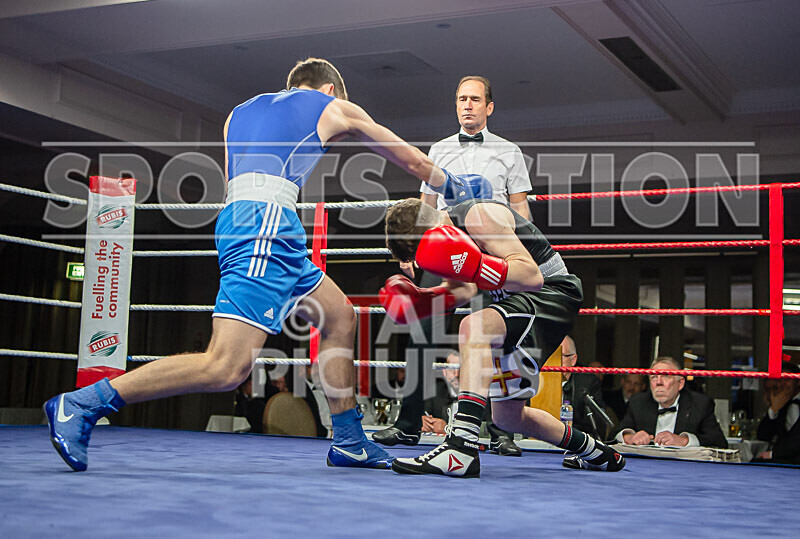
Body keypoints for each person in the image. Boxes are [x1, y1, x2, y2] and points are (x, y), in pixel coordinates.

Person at [43, 57, 475, 472]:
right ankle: (83, 403)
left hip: (252, 222)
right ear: (329, 88)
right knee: (225, 367)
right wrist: (453, 185)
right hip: (266, 227)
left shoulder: (238, 113)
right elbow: (412, 161)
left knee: (339, 316)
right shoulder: (331, 104)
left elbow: (241, 181)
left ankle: (348, 441)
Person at [380, 197, 625, 477]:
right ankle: (595, 451)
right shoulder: (450, 239)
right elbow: (466, 291)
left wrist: (476, 266)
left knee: (475, 327)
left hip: (551, 295)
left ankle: (461, 447)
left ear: (434, 228)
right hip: (518, 306)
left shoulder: (479, 217)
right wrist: (425, 299)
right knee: (508, 417)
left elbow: (531, 276)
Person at [374, 75, 530, 458]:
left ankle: (500, 430)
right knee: (421, 331)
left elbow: (520, 207)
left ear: (489, 107)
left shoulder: (509, 151)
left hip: (490, 252)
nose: (468, 105)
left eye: (475, 99)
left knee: (497, 338)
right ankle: (409, 424)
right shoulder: (438, 149)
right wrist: (410, 251)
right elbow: (424, 207)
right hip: (442, 253)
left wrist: (520, 253)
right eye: (462, 99)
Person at [615, 356, 727, 448]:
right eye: (654, 377)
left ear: (680, 383)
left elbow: (718, 441)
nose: (658, 382)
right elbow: (613, 434)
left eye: (665, 376)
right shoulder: (639, 402)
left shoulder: (700, 403)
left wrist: (684, 441)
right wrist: (630, 437)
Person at [754, 361, 800, 464]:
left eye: (787, 379)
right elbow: (762, 436)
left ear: (798, 381)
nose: (782, 384)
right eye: (780, 380)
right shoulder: (782, 404)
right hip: (781, 461)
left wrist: (773, 454)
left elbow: (796, 440)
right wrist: (773, 410)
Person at [560, 336, 607, 438]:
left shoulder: (588, 383)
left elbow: (597, 424)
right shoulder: (539, 380)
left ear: (573, 360)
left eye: (560, 356)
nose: (555, 361)